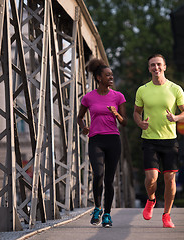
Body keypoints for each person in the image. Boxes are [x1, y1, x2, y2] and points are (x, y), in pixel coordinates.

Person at [133, 54, 184, 228]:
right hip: (149, 139)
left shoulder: (175, 89)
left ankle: (166, 215)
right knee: (151, 179)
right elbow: (136, 112)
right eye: (152, 65)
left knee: (170, 180)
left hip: (170, 140)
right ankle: (151, 200)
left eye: (159, 64)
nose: (156, 68)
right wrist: (140, 123)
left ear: (165, 67)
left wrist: (176, 117)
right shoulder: (142, 90)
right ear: (149, 68)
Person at [77, 58, 127, 228]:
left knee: (109, 179)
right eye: (108, 75)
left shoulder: (118, 96)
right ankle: (97, 208)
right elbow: (79, 117)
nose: (111, 78)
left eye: (112, 75)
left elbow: (125, 122)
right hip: (96, 139)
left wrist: (116, 114)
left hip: (113, 139)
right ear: (99, 78)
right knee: (98, 174)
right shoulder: (88, 98)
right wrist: (84, 127)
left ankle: (107, 214)